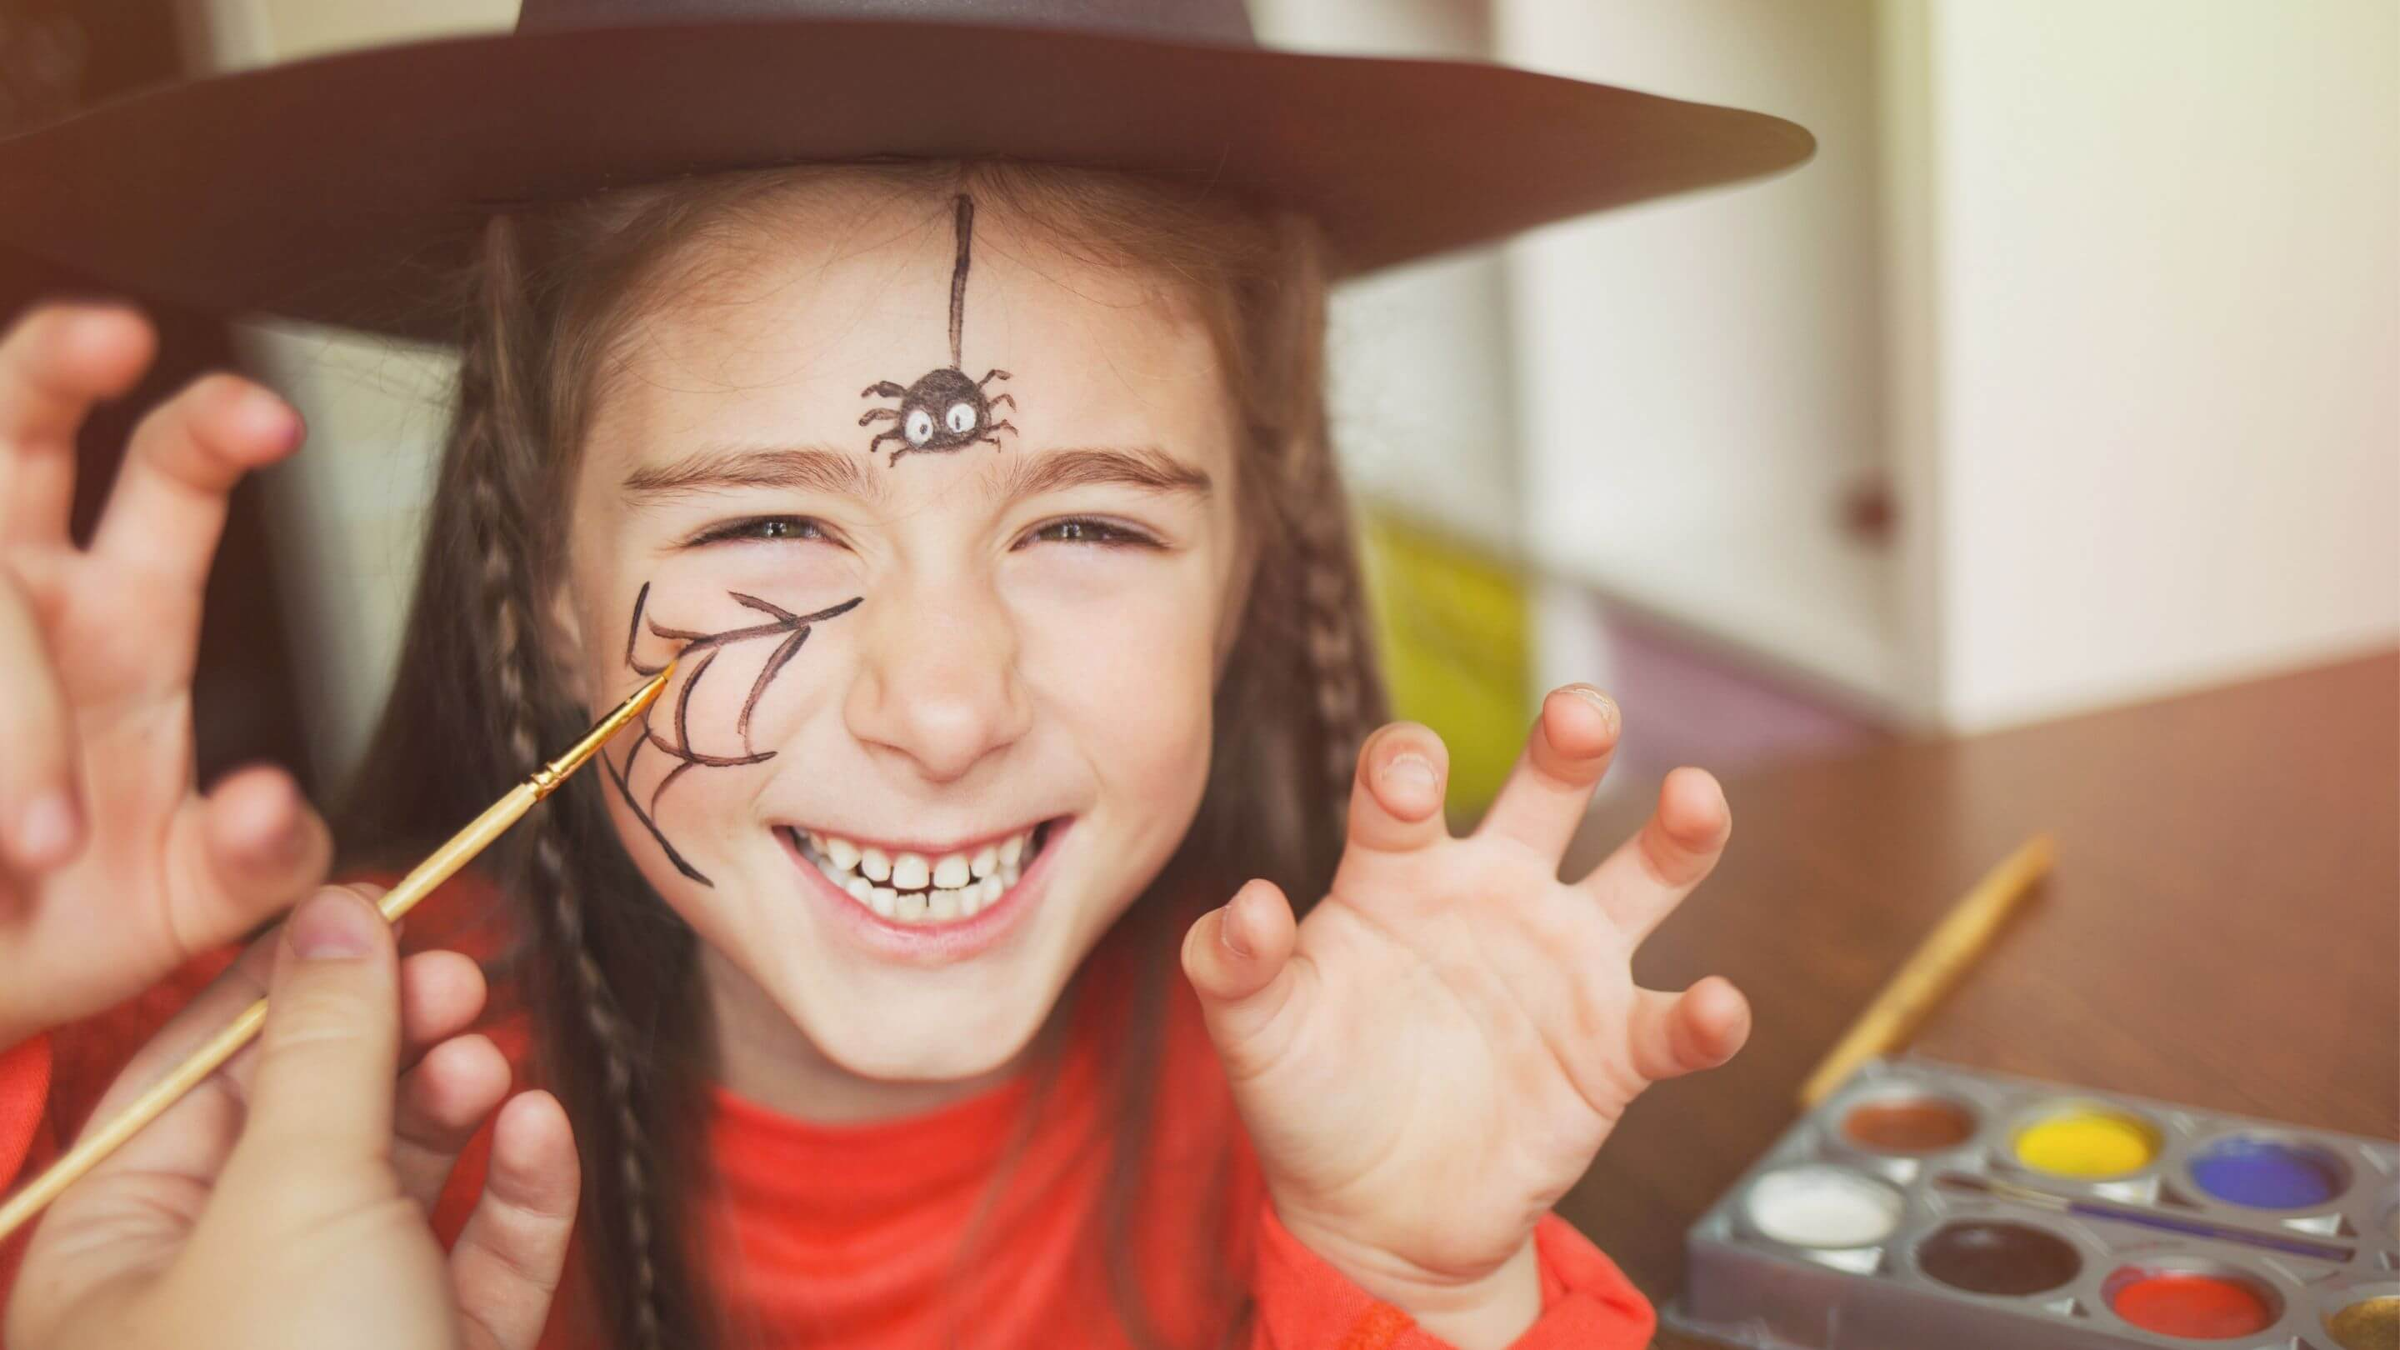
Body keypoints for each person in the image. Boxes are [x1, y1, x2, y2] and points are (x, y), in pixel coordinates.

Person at [0, 3, 1811, 1347]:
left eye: (1089, 530)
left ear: (1247, 566)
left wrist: (1431, 1287)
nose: (944, 709)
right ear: (547, 589)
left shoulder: (1356, 1111)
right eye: (764, 531)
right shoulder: (281, 1112)